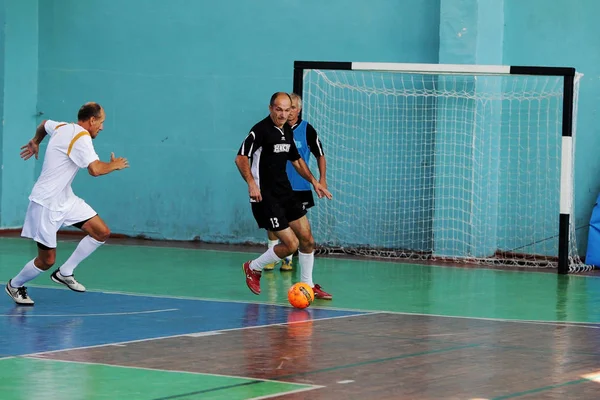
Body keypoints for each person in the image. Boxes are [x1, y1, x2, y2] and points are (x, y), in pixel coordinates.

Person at [4, 102, 129, 306]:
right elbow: (95, 170)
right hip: (46, 204)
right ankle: (14, 285)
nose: (102, 127)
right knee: (46, 260)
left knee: (101, 232)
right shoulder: (82, 138)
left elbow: (44, 124)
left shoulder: (62, 126)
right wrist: (114, 165)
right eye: (101, 122)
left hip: (65, 199)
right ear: (92, 120)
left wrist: (36, 141)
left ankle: (65, 272)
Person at [235, 92, 333, 300]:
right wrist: (251, 183)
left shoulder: (287, 130)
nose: (282, 114)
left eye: (287, 110)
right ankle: (253, 267)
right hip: (265, 197)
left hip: (286, 193)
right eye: (278, 109)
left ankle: (307, 285)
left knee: (307, 239)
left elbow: (297, 161)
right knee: (291, 244)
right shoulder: (259, 131)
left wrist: (315, 182)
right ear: (271, 108)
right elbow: (241, 158)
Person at [264, 92, 326, 272]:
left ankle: (287, 259)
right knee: (273, 223)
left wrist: (321, 180)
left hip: (299, 187)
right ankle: (271, 254)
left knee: (293, 225)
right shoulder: (274, 130)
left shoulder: (307, 129)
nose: (287, 112)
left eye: (291, 108)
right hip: (276, 186)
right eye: (284, 108)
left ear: (298, 109)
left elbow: (319, 155)